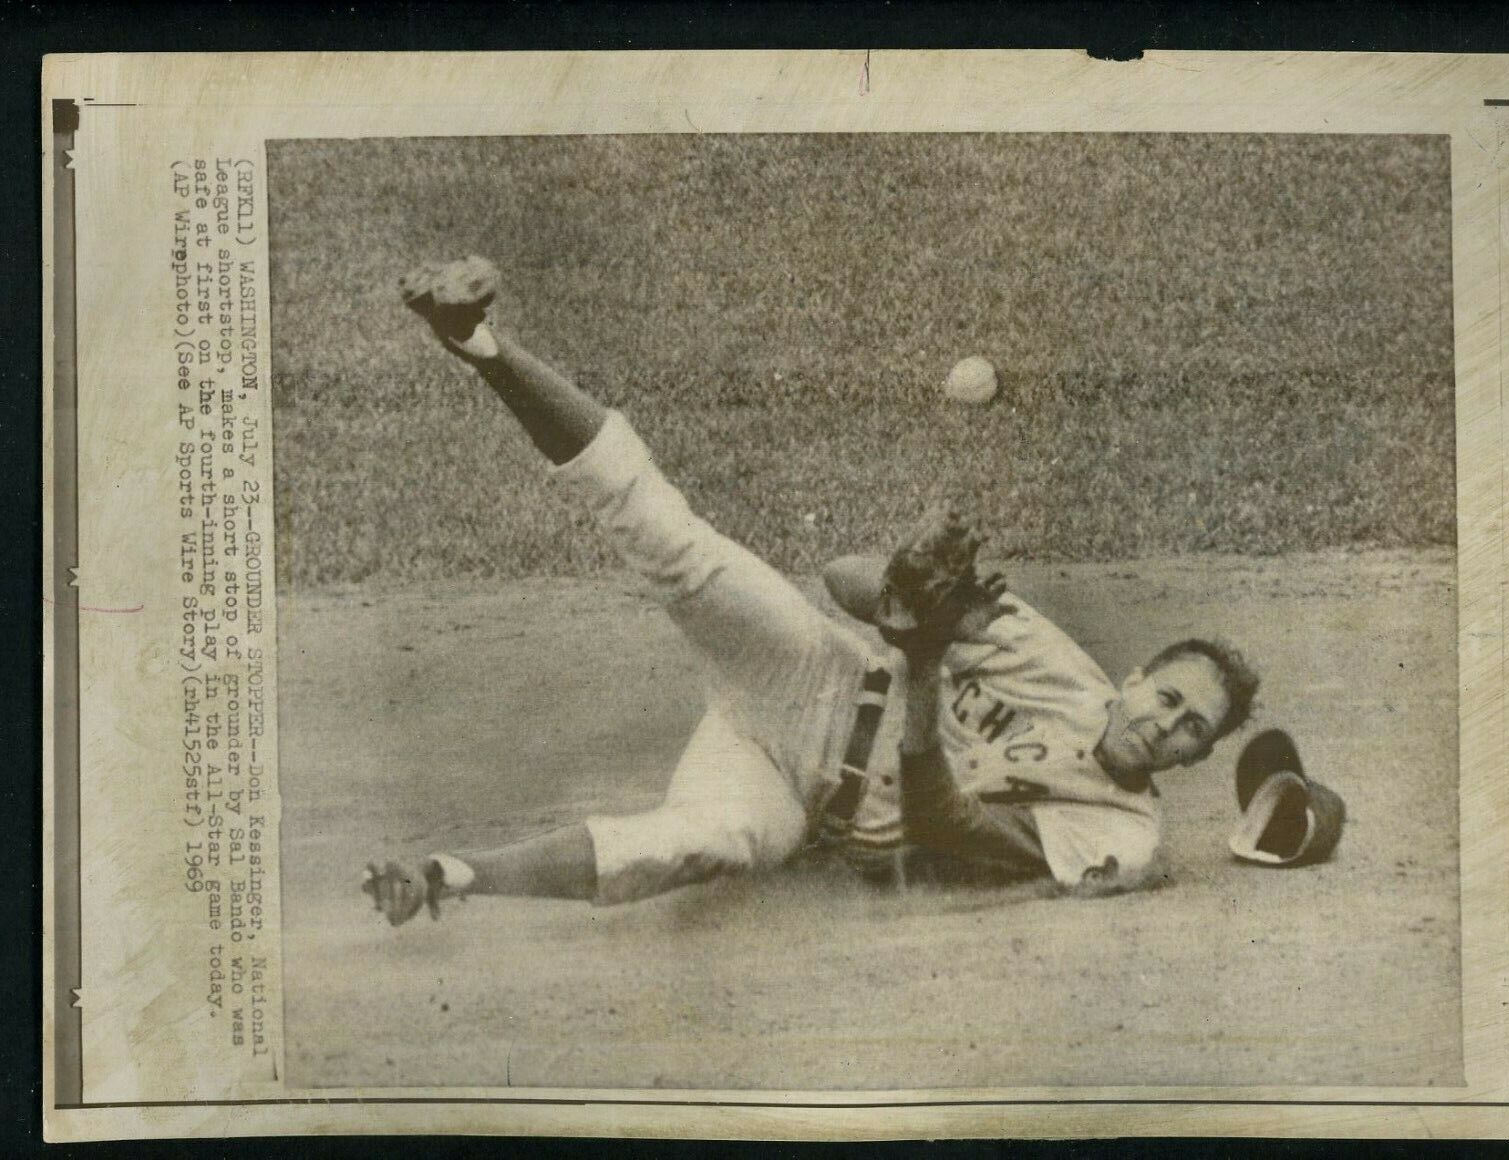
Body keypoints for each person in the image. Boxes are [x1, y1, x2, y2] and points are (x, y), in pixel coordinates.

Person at [363, 257, 1260, 925]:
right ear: (1137, 677)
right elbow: (844, 581)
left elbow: (939, 821)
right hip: (817, 678)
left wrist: (923, 657)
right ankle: (479, 343)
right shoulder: (1060, 667)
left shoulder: (1123, 837)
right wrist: (903, 593)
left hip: (801, 802)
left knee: (696, 842)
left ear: (1196, 760)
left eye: (1193, 731)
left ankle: (449, 875)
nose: (1166, 726)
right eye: (1172, 698)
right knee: (675, 542)